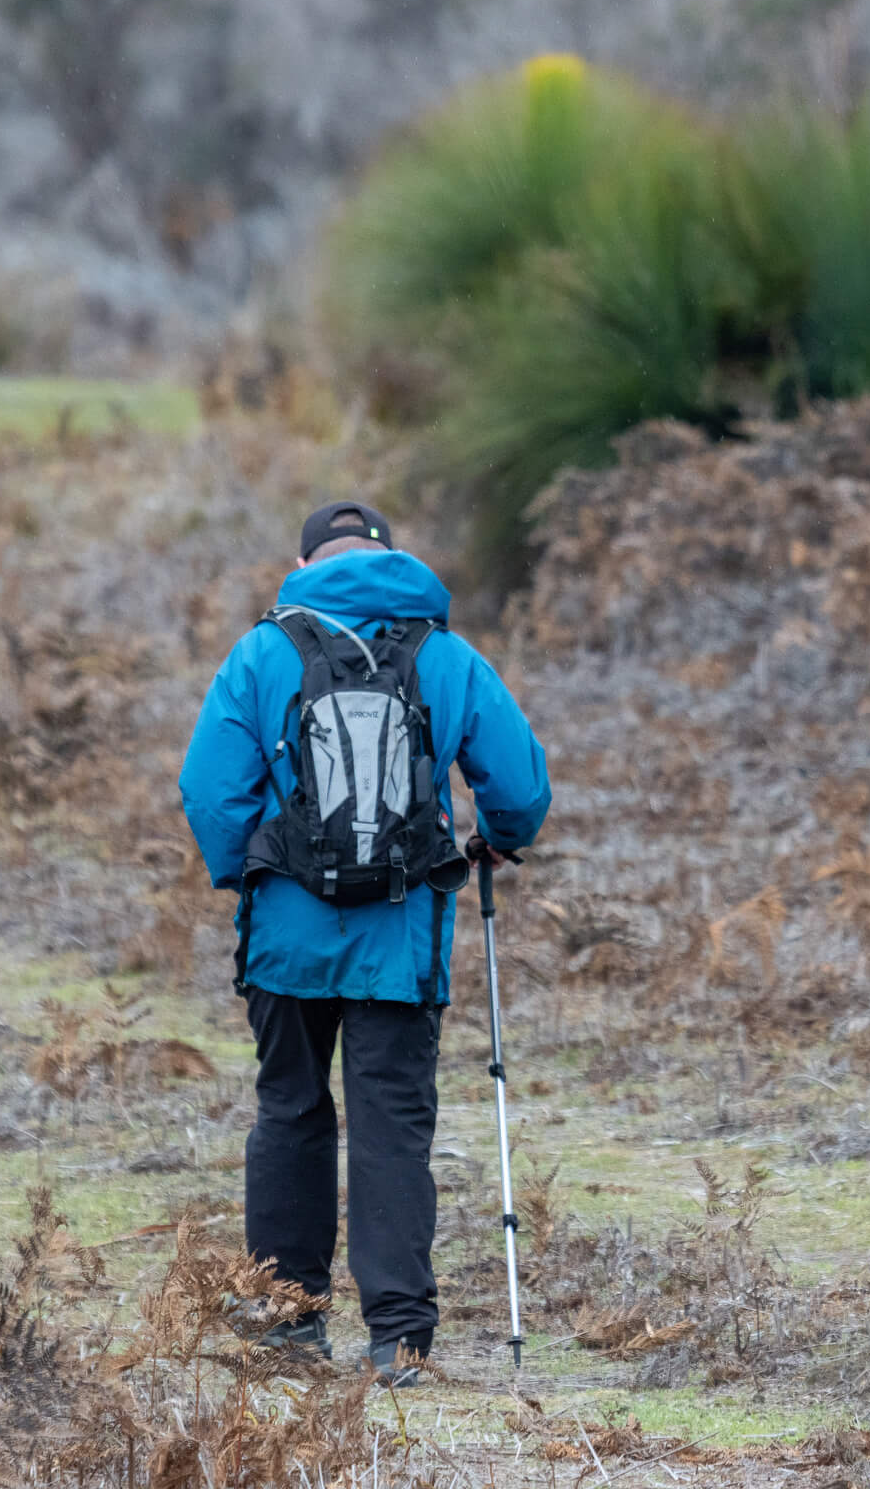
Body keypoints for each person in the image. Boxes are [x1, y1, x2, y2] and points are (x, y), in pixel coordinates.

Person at [179, 501, 551, 1385]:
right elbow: (522, 782)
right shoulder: (444, 652)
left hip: (284, 942)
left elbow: (209, 790)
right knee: (391, 1131)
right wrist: (499, 834)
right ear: (393, 557)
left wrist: (252, 874)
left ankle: (285, 1320)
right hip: (403, 941)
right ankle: (400, 1341)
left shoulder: (263, 652)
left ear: (302, 561)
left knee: (291, 1114)